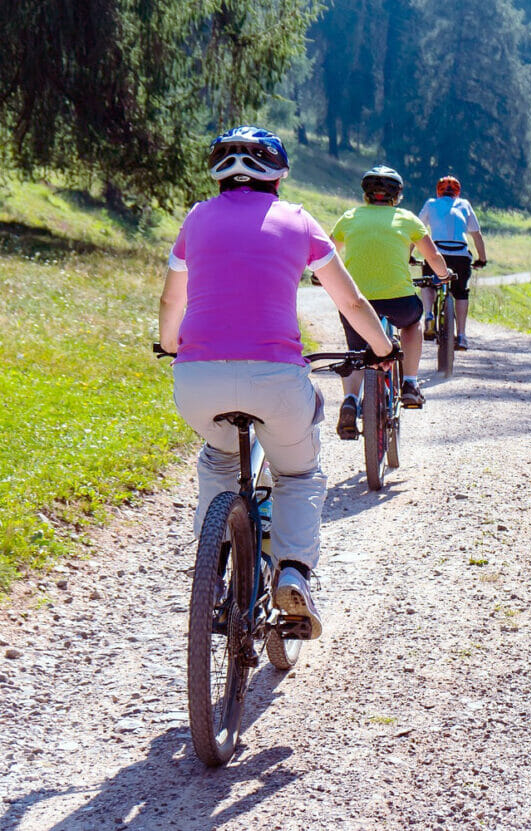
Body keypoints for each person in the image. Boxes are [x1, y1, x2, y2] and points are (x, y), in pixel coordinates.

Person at [158, 126, 397, 639]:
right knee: (298, 474)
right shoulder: (297, 220)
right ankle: (293, 574)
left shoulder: (196, 218)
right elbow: (351, 303)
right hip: (277, 380)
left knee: (218, 457)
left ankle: (214, 567)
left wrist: (172, 345)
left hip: (198, 380)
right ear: (279, 174)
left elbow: (170, 302)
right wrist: (383, 349)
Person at [331, 165, 453, 435]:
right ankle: (410, 382)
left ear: (365, 195)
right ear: (397, 196)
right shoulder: (407, 219)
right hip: (399, 301)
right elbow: (432, 257)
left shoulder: (349, 217)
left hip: (358, 302)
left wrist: (322, 278)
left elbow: (330, 254)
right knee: (413, 324)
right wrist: (443, 276)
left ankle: (350, 400)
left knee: (356, 351)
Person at [417, 175, 487, 350]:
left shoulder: (431, 204)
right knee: (461, 293)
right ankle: (462, 336)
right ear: (458, 192)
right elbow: (476, 235)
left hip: (437, 252)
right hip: (461, 254)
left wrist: (409, 255)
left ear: (438, 191)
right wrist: (482, 259)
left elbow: (417, 231)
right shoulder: (465, 205)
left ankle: (428, 316)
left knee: (428, 283)